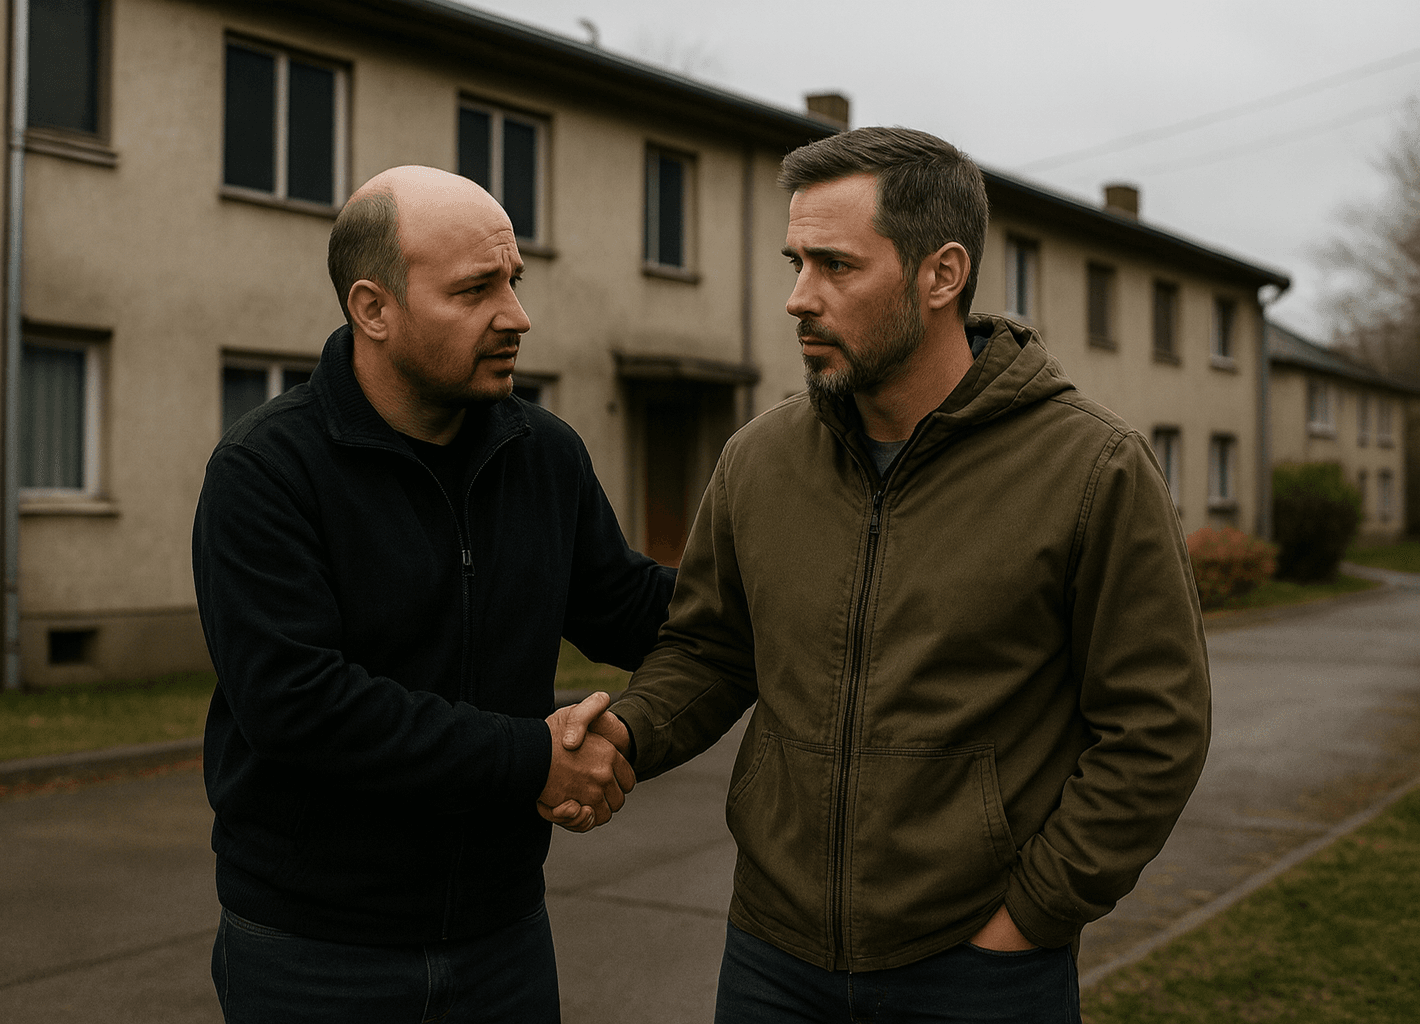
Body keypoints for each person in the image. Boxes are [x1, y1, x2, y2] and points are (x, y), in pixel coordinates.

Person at [563, 127, 1211, 1022]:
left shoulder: (1092, 469)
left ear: (941, 274)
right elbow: (712, 651)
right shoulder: (759, 459)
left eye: (836, 266)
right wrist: (625, 733)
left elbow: (1156, 727)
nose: (798, 298)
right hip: (772, 957)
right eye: (795, 262)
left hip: (977, 968)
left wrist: (1033, 914)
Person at [192, 165, 675, 1023]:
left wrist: (795, 586)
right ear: (373, 308)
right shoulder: (267, 471)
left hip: (502, 940)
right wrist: (535, 756)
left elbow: (631, 608)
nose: (517, 316)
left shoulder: (543, 455)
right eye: (476, 290)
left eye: (515, 283)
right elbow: (301, 706)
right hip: (313, 955)